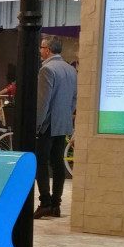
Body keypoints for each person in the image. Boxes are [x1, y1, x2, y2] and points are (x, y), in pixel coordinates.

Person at [33, 35, 77, 219]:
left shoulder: (47, 70)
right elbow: (74, 99)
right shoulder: (71, 69)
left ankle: (45, 202)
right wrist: (66, 115)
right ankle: (56, 205)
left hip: (48, 125)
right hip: (63, 123)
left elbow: (43, 102)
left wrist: (37, 125)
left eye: (42, 47)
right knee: (58, 163)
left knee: (41, 163)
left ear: (48, 50)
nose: (40, 51)